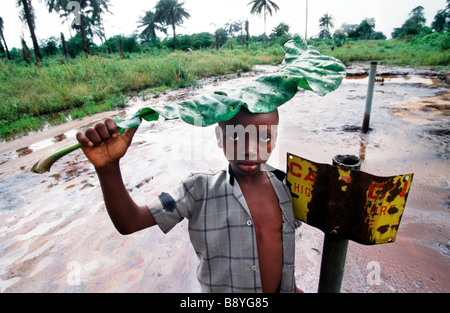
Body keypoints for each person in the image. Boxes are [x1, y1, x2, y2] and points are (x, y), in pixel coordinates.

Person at [76, 106, 302, 293]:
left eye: (264, 137)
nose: (250, 149)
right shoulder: (198, 190)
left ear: (275, 137)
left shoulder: (289, 188)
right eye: (235, 136)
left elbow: (282, 251)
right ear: (219, 137)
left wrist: (292, 287)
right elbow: (130, 222)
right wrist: (108, 169)